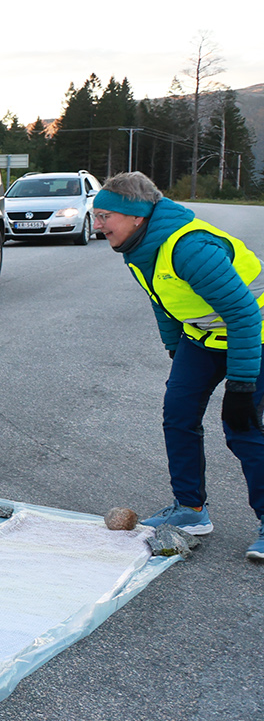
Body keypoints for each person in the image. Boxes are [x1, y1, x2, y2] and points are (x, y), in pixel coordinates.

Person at [93, 171, 264, 562]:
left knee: (242, 427)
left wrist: (239, 385)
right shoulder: (139, 246)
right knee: (179, 413)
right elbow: (162, 298)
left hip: (256, 334)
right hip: (203, 337)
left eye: (105, 216)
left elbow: (243, 315)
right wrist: (175, 348)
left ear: (136, 216)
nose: (97, 225)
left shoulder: (190, 248)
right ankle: (191, 510)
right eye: (96, 216)